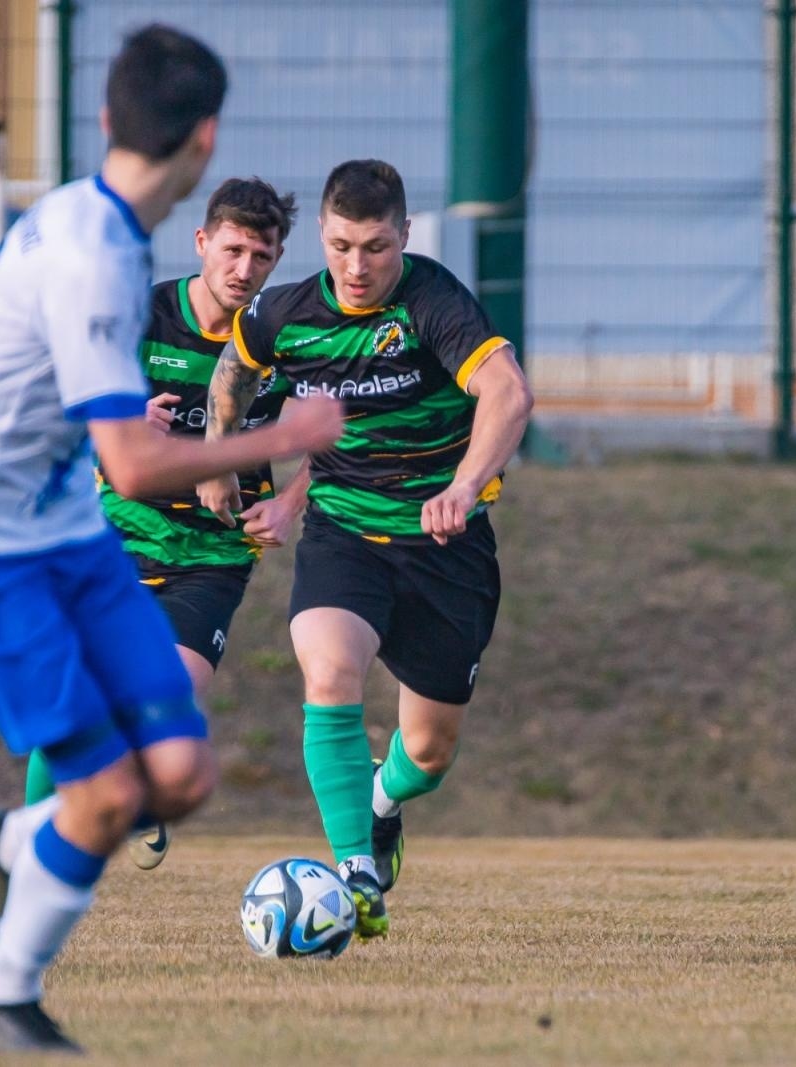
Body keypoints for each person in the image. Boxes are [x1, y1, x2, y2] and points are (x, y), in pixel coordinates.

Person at [0, 25, 343, 1055]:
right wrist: (286, 437)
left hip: (59, 531)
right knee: (104, 793)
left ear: (106, 118)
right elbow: (134, 466)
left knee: (179, 774)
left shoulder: (83, 221)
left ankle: (12, 839)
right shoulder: (96, 257)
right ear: (205, 137)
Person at [198, 159, 534, 941]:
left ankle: (382, 806)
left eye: (377, 247)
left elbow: (508, 392)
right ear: (322, 235)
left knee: (429, 749)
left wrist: (464, 483)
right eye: (343, 245)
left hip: (446, 546)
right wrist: (220, 456)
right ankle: (355, 875)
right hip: (344, 533)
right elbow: (233, 372)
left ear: (405, 237)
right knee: (329, 667)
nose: (357, 266)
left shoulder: (433, 301)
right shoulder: (282, 314)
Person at [21, 176, 307, 873]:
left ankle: (140, 797)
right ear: (202, 241)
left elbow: (339, 433)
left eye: (262, 256)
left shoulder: (284, 335)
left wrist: (289, 502)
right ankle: (30, 849)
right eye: (233, 250)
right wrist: (108, 431)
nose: (245, 270)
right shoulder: (141, 316)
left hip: (213, 553)